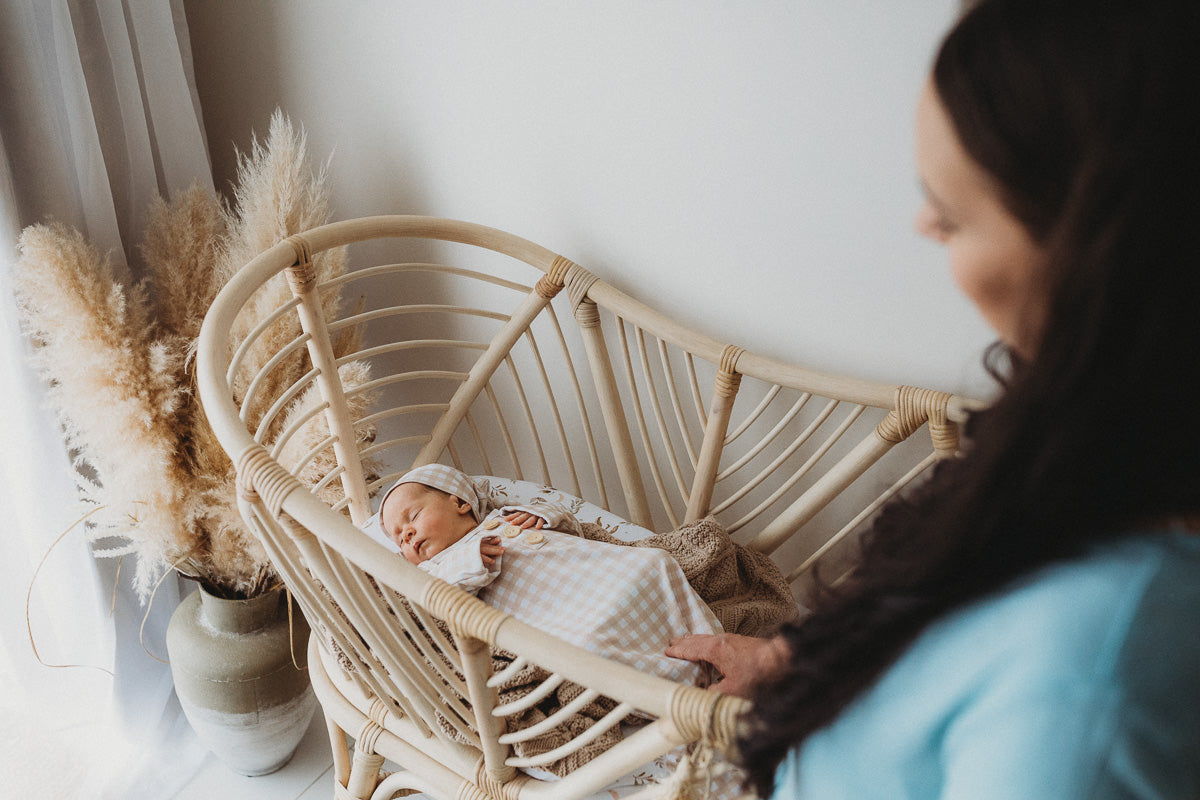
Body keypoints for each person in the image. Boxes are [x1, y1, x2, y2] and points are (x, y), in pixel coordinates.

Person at [666, 1, 1200, 797]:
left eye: (949, 214)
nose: (922, 225)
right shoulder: (1078, 446)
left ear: (1100, 252)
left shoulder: (1091, 685)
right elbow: (957, 638)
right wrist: (797, 663)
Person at [375, 463, 723, 685]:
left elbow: (575, 527)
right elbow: (445, 603)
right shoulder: (438, 570)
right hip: (562, 614)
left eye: (412, 516)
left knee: (654, 563)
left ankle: (714, 649)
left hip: (597, 572)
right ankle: (685, 689)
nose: (406, 534)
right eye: (397, 537)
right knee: (590, 648)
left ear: (460, 503)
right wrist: (470, 560)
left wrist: (542, 516)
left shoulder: (504, 517)